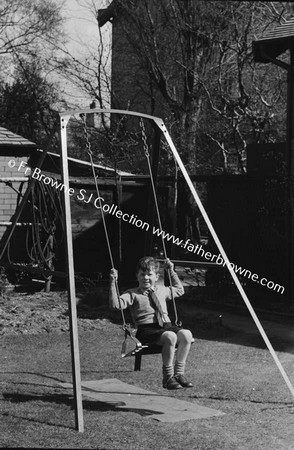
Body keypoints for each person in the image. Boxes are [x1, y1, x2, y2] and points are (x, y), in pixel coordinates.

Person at [109, 256, 193, 390]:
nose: (146, 278)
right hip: (147, 330)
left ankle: (179, 374)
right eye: (142, 274)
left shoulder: (162, 290)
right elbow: (115, 305)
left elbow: (179, 290)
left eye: (149, 274)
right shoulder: (132, 294)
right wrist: (113, 283)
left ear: (156, 276)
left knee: (187, 334)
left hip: (166, 326)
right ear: (137, 276)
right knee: (170, 336)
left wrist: (171, 271)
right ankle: (168, 377)